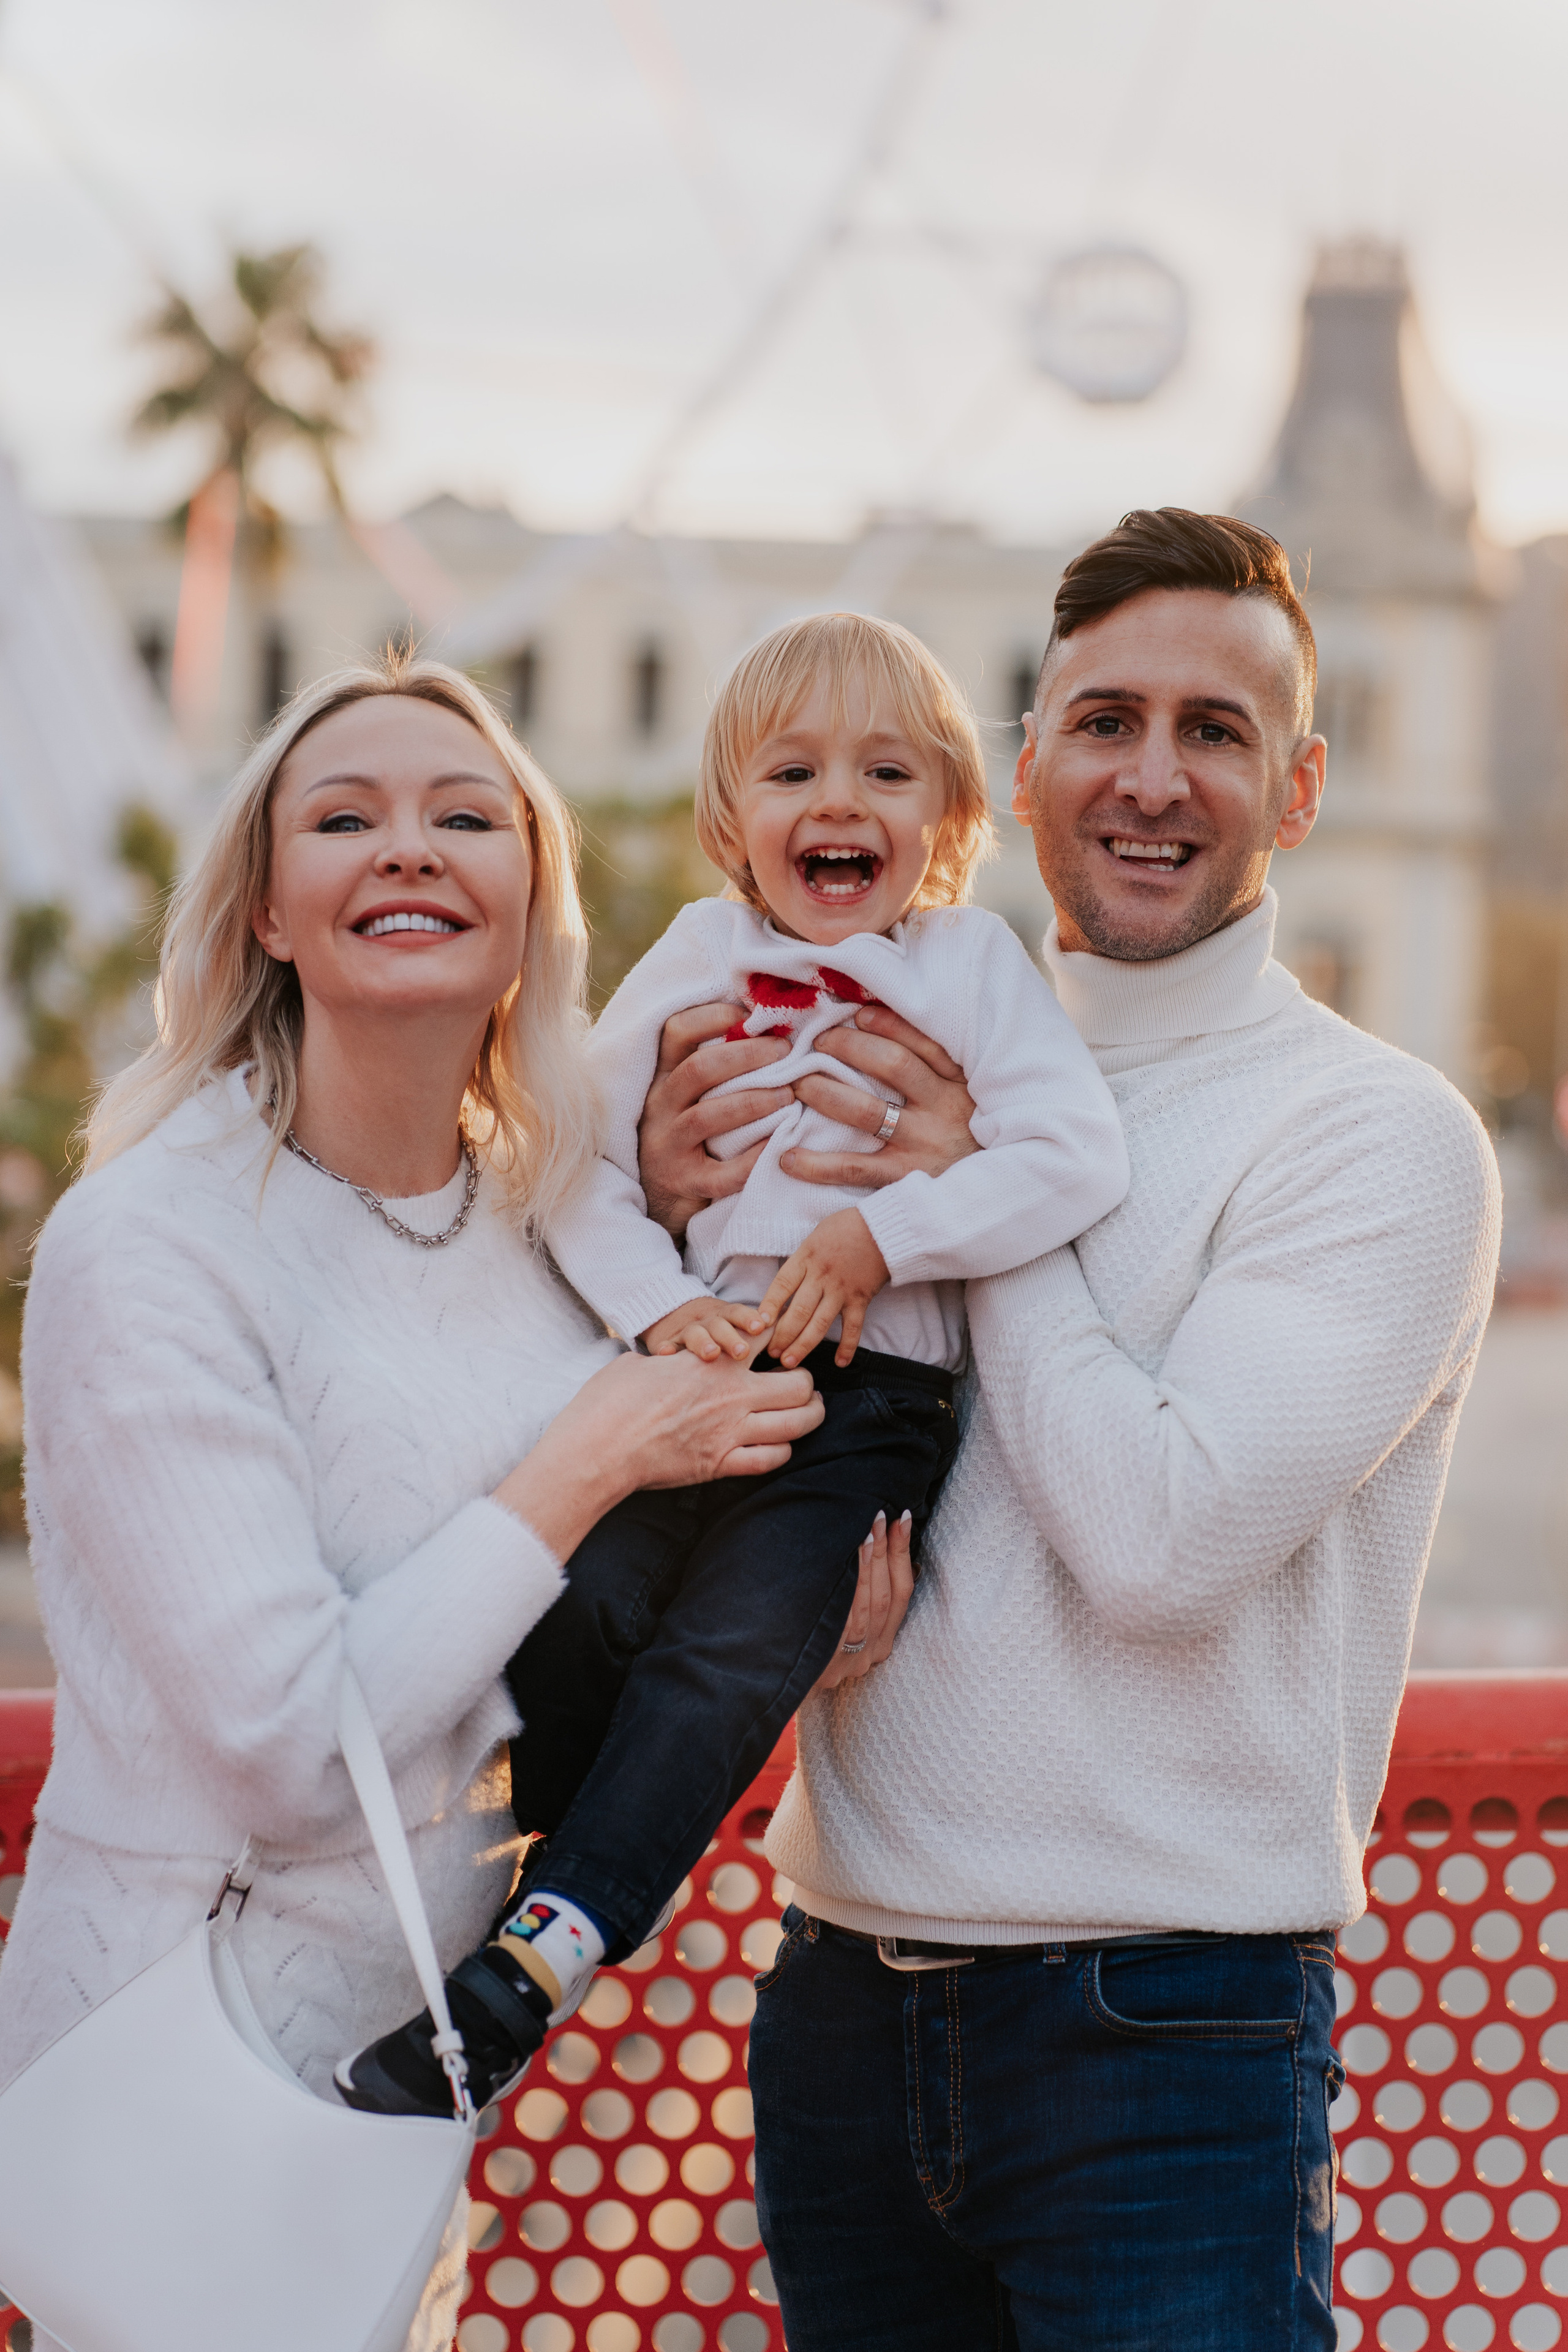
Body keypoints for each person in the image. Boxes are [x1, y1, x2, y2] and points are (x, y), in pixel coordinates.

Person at [636, 511, 1503, 2350]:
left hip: (1166, 2028)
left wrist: (970, 1202)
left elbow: (1159, 1544)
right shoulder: (828, 1051)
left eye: (1219, 730)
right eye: (1107, 721)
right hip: (842, 1996)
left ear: (1303, 785)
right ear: (1021, 768)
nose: (1154, 778)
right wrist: (656, 1224)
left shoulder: (1375, 1138)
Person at [0, 652, 834, 2352]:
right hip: (184, 2048)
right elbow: (289, 1743)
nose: (408, 848)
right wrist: (595, 1448)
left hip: (407, 2101)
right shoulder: (151, 1243)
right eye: (343, 818)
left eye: (466, 816)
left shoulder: (551, 1238)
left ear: (530, 913)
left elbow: (588, 1625)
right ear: (267, 916)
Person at [339, 611, 1128, 2119]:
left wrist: (886, 1236)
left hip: (867, 1408)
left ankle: (543, 1961)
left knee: (726, 1658)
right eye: (793, 771)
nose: (837, 803)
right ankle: (554, 1863)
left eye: (885, 772)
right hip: (698, 1378)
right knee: (580, 1605)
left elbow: (1072, 1155)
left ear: (950, 821)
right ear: (729, 823)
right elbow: (572, 1164)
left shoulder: (966, 962)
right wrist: (653, 1309)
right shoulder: (699, 954)